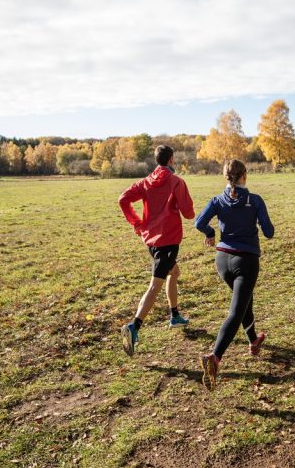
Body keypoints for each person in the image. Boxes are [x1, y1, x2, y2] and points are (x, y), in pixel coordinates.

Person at [194, 159, 274, 389]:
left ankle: (253, 342)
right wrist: (257, 223)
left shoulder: (217, 200)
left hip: (223, 261)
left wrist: (210, 231)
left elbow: (199, 222)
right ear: (244, 176)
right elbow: (269, 232)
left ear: (226, 177)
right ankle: (215, 357)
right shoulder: (255, 200)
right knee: (236, 311)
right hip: (245, 261)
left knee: (245, 300)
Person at [117, 145, 196, 356]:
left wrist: (137, 223)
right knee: (155, 286)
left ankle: (175, 315)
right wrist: (184, 207)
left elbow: (123, 199)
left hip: (151, 241)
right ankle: (134, 327)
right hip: (167, 242)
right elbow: (189, 214)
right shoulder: (176, 182)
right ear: (171, 160)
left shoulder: (145, 182)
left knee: (175, 272)